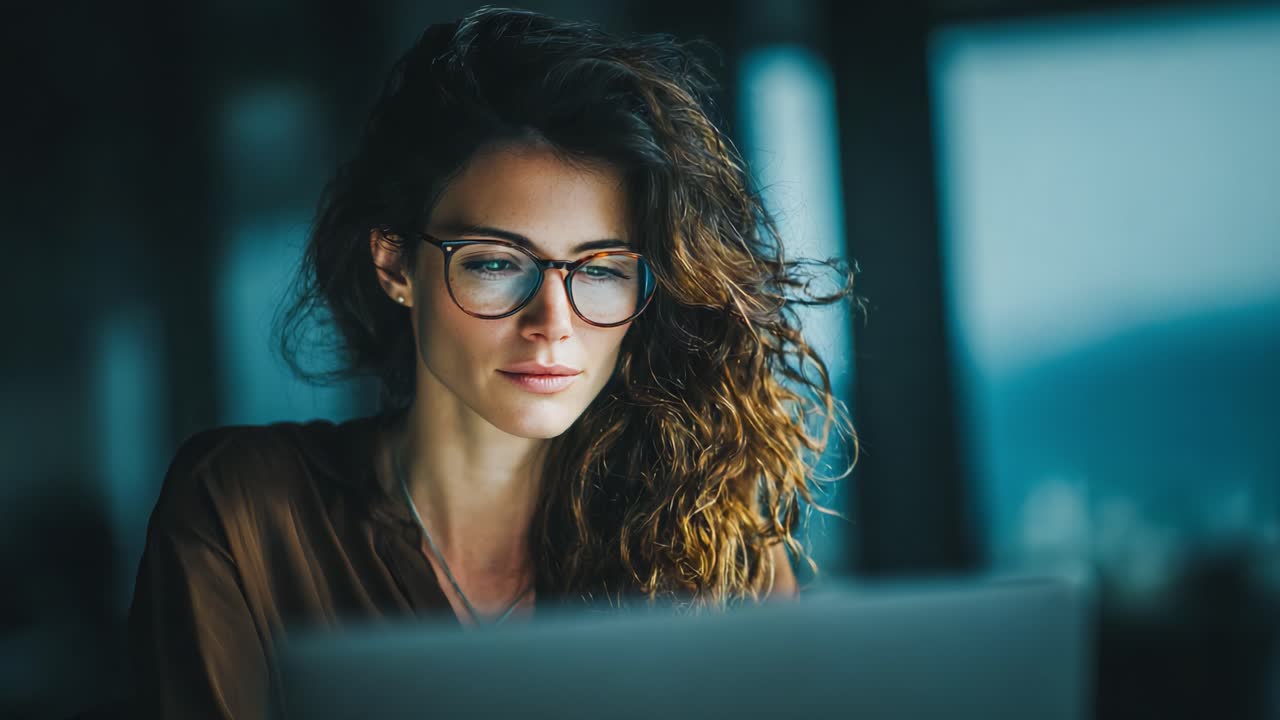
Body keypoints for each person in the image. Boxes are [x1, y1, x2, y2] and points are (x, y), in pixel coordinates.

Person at [128, 7, 857, 719]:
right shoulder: (245, 512)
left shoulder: (714, 541)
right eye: (497, 263)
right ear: (395, 264)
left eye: (602, 270)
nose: (553, 324)